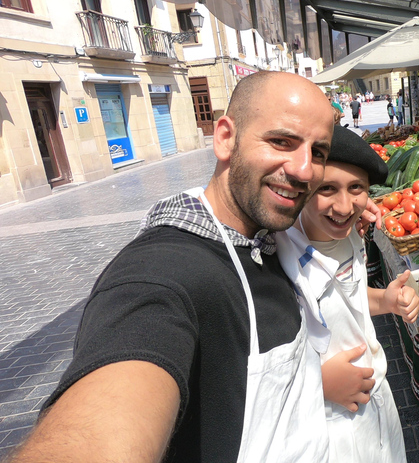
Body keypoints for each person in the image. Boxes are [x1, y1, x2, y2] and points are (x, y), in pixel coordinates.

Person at [6, 72, 353, 463]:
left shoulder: (266, 235)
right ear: (225, 138)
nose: (304, 170)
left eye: (318, 152)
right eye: (280, 142)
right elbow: (102, 427)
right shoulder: (163, 272)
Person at [276, 126, 419, 462]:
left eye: (356, 188)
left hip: (377, 403)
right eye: (327, 188)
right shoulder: (279, 253)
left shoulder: (351, 235)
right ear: (305, 188)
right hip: (327, 422)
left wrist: (386, 301)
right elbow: (256, 368)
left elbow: (349, 296)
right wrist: (319, 383)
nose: (343, 205)